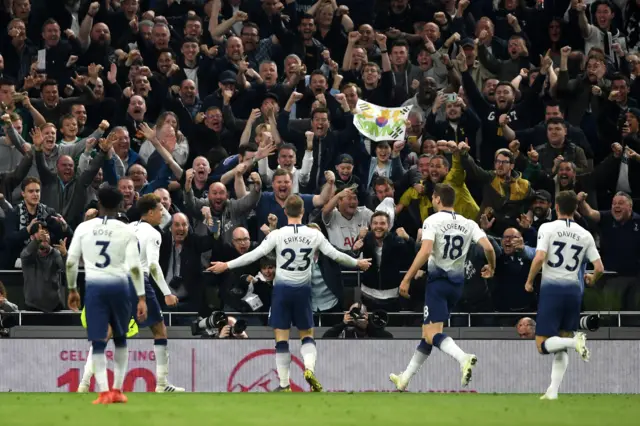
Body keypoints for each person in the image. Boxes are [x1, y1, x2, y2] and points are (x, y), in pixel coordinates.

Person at [208, 194, 372, 392]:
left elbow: (254, 254)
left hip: (282, 291)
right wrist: (357, 262)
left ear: (285, 212)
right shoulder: (315, 235)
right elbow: (335, 255)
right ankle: (309, 369)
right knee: (307, 335)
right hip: (303, 290)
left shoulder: (277, 235)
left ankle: (285, 384)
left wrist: (226, 264)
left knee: (281, 337)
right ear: (303, 212)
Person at [390, 183, 496, 391]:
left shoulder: (432, 220)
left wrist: (407, 278)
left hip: (438, 283)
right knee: (427, 334)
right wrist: (491, 267)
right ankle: (404, 379)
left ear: (437, 199)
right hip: (456, 286)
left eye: (433, 197)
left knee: (432, 334)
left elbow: (425, 250)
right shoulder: (469, 223)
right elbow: (489, 247)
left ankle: (462, 357)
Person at [78, 194, 183, 393]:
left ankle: (84, 383)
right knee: (159, 330)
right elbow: (152, 265)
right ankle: (161, 384)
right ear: (150, 212)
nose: (162, 214)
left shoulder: (129, 226)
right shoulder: (153, 234)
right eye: (160, 210)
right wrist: (167, 293)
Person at [65, 186, 147, 405]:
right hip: (120, 287)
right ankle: (118, 390)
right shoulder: (127, 230)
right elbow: (135, 267)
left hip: (95, 288)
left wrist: (72, 288)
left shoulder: (84, 228)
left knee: (98, 340)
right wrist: (141, 297)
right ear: (121, 205)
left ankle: (103, 392)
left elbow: (71, 261)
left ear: (98, 204)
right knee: (120, 339)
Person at [523, 190, 604, 400]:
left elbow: (539, 257)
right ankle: (553, 391)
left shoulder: (547, 227)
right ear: (575, 208)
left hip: (552, 290)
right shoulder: (584, 234)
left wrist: (530, 280)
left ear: (556, 207)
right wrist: (591, 280)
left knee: (543, 345)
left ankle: (574, 342)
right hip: (574, 291)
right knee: (561, 340)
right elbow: (599, 267)